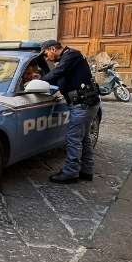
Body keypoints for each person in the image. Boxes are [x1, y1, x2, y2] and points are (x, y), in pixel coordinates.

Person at [40, 40, 100, 184]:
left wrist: (40, 81)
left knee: (73, 139)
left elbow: (58, 73)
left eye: (46, 53)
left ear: (53, 49)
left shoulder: (71, 55)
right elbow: (60, 80)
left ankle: (71, 173)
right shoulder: (66, 59)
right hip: (85, 103)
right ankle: (86, 171)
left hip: (82, 104)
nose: (46, 57)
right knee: (84, 138)